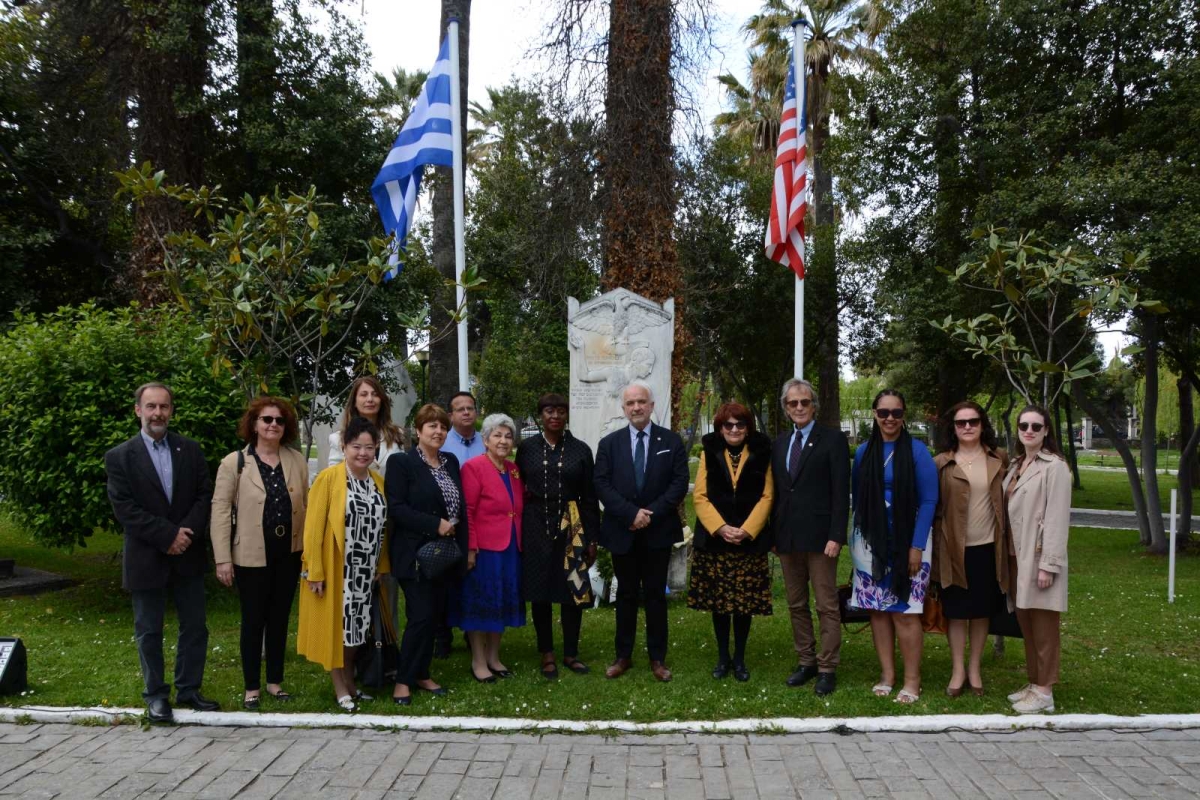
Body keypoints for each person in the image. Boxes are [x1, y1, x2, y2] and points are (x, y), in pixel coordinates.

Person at [104, 382, 219, 723]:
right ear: (138, 410)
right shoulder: (120, 457)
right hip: (146, 555)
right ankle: (156, 695)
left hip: (188, 553)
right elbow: (125, 509)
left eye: (164, 407)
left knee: (195, 626)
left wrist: (185, 535)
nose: (158, 413)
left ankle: (189, 689)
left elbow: (204, 496)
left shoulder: (191, 450)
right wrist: (168, 535)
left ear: (171, 410)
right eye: (151, 406)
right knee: (149, 630)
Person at [211, 397, 309, 709]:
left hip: (288, 552)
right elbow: (220, 512)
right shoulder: (234, 463)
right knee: (253, 620)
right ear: (254, 424)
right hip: (251, 556)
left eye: (279, 421)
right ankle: (251, 686)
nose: (273, 425)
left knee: (279, 619)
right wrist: (222, 558)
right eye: (267, 419)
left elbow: (306, 507)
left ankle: (275, 682)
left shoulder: (296, 461)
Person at [594, 381, 689, 682]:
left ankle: (657, 658)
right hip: (623, 531)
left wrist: (649, 515)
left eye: (641, 402)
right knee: (625, 594)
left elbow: (678, 484)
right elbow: (602, 485)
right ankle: (623, 656)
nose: (636, 407)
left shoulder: (671, 442)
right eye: (630, 403)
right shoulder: (609, 444)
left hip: (658, 531)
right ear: (623, 409)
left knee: (655, 596)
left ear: (651, 405)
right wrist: (631, 514)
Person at [849, 390, 938, 704]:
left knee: (905, 612)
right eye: (884, 412)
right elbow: (858, 498)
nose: (889, 419)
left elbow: (928, 500)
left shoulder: (917, 452)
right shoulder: (863, 452)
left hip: (909, 542)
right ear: (874, 414)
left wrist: (916, 546)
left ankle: (912, 680)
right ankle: (887, 674)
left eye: (896, 413)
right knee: (878, 611)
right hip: (872, 543)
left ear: (904, 416)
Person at [297, 416, 389, 712]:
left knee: (356, 631)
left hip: (365, 571)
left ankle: (350, 681)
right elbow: (312, 529)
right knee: (336, 631)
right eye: (356, 446)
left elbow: (383, 528)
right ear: (345, 447)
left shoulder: (377, 481)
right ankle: (340, 687)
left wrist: (379, 569)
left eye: (369, 447)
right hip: (337, 568)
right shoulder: (329, 478)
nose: (363, 453)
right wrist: (315, 570)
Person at [384, 404, 470, 705]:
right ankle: (403, 681)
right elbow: (396, 508)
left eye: (443, 427)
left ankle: (422, 673)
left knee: (433, 617)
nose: (439, 431)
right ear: (417, 431)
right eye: (431, 426)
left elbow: (459, 508)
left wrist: (463, 544)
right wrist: (435, 524)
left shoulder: (450, 461)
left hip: (445, 554)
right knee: (420, 616)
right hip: (414, 553)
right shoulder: (401, 463)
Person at [770, 378, 850, 696]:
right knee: (795, 603)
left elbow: (841, 492)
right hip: (787, 538)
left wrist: (836, 535)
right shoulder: (779, 444)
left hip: (821, 538)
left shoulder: (832, 440)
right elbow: (777, 492)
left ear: (814, 405)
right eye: (793, 403)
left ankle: (827, 667)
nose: (799, 407)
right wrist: (774, 534)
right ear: (786, 408)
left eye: (804, 402)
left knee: (826, 604)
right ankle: (806, 662)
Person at [514, 393, 601, 679]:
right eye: (549, 410)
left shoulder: (580, 450)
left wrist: (591, 537)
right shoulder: (526, 448)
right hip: (535, 523)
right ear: (541, 415)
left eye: (560, 411)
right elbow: (520, 489)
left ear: (566, 415)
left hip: (572, 524)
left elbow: (589, 497)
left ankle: (571, 653)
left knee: (571, 590)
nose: (555, 416)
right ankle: (547, 652)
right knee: (540, 592)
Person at [687, 402, 775, 682]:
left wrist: (748, 529)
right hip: (716, 541)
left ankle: (739, 658)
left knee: (743, 603)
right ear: (720, 428)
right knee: (720, 603)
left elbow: (767, 495)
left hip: (749, 541)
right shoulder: (708, 453)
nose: (734, 430)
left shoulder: (762, 452)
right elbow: (700, 496)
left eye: (740, 425)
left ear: (748, 428)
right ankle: (723, 656)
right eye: (729, 425)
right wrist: (721, 528)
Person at [932, 401, 1008, 698]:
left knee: (980, 612)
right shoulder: (941, 463)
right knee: (956, 612)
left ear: (982, 424)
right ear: (953, 428)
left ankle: (974, 668)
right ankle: (957, 670)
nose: (967, 427)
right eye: (961, 422)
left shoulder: (999, 458)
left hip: (989, 548)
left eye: (973, 421)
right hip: (953, 549)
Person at [1002, 404, 1071, 714]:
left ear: (1046, 432)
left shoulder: (1054, 467)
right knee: (1026, 623)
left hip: (1038, 557)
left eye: (1036, 426)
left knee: (1044, 626)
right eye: (1024, 425)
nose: (1029, 431)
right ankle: (1034, 682)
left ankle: (1045, 692)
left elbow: (1057, 519)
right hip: (1016, 557)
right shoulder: (1017, 464)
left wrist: (1050, 564)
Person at [455, 413, 527, 682]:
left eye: (508, 436)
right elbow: (468, 511)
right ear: (485, 440)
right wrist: (471, 548)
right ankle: (478, 660)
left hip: (511, 548)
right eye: (497, 435)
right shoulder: (473, 468)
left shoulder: (514, 470)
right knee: (481, 602)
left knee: (502, 601)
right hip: (484, 550)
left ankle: (495, 657)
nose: (503, 440)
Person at [434, 390, 484, 657]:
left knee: (471, 579)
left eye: (470, 408)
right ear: (450, 415)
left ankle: (470, 631)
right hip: (447, 521)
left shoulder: (485, 442)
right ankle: (442, 636)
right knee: (443, 579)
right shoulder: (440, 442)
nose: (466, 412)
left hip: (477, 522)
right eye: (460, 409)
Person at [328, 376, 405, 475]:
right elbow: (334, 477)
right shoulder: (338, 439)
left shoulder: (396, 434)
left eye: (375, 394)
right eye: (363, 395)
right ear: (354, 402)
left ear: (381, 400)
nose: (370, 399)